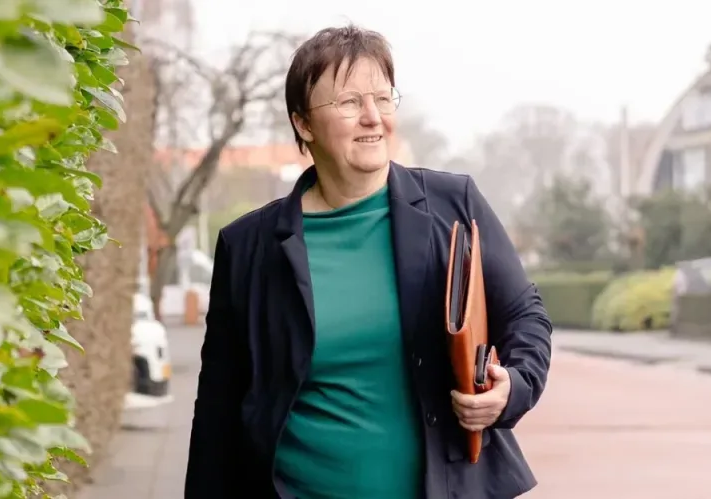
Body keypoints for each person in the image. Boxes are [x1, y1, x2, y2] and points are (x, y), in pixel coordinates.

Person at [184, 24, 552, 499]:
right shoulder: (247, 247)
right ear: (303, 124)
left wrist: (512, 389)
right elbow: (218, 406)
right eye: (349, 103)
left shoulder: (452, 204)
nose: (373, 117)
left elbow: (525, 314)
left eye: (383, 98)